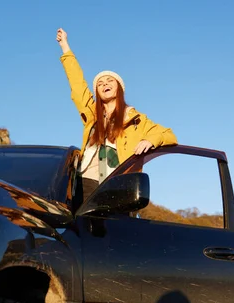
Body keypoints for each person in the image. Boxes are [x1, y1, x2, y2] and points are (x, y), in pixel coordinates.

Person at [56, 28, 177, 200]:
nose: (105, 84)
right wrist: (65, 47)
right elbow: (77, 84)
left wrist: (150, 140)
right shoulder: (92, 115)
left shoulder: (136, 120)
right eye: (100, 84)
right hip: (87, 183)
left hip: (120, 186)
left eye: (110, 80)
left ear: (119, 87)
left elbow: (169, 135)